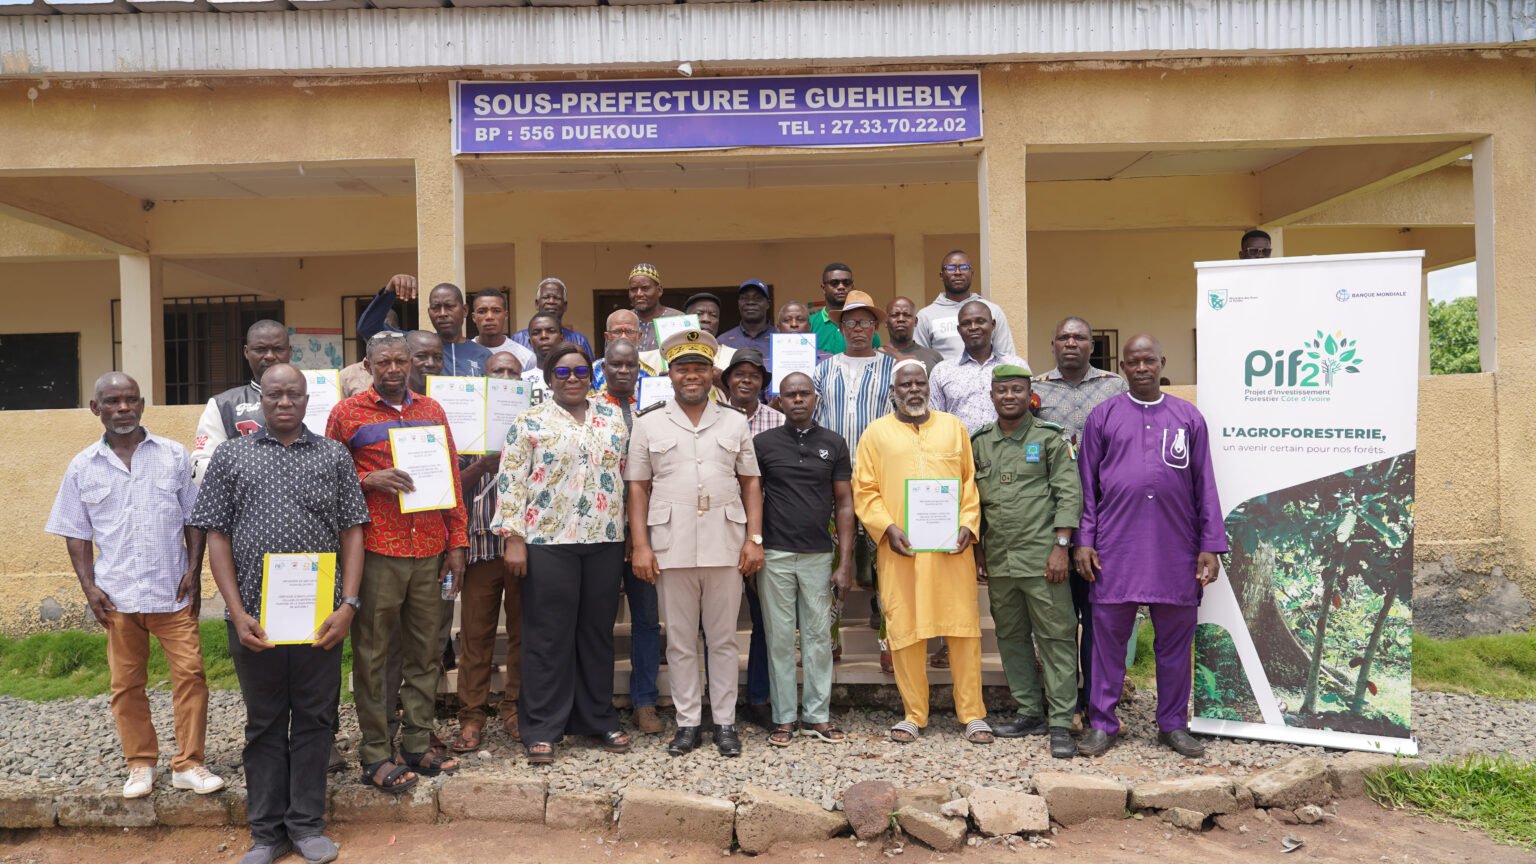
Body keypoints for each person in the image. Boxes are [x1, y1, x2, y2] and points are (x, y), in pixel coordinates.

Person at [190, 364, 368, 864]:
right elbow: (217, 535)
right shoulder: (231, 455)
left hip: (320, 619)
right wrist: (235, 611)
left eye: (293, 394)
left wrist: (348, 605)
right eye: (274, 395)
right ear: (261, 400)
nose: (284, 402)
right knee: (265, 723)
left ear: (307, 400)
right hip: (255, 620)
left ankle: (307, 825)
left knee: (314, 719)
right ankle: (266, 833)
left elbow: (353, 530)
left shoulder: (333, 455)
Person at [46, 373, 224, 799]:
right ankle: (140, 764)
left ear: (142, 404)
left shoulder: (173, 455)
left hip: (172, 593)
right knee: (126, 685)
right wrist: (89, 588)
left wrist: (195, 571)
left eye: (130, 400)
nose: (123, 408)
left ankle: (189, 764)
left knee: (191, 676)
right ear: (96, 408)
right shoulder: (82, 466)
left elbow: (194, 518)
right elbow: (75, 533)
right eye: (112, 401)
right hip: (118, 596)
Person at [325, 331, 467, 792]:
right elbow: (327, 475)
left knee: (426, 653)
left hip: (429, 548)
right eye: (383, 362)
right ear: (367, 366)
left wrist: (457, 544)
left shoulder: (432, 410)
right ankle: (375, 752)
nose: (392, 369)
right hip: (377, 551)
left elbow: (451, 478)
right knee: (372, 656)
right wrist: (367, 479)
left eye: (400, 361)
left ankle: (418, 743)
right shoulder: (347, 413)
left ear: (411, 363)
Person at [1074, 334, 1226, 759]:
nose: (1141, 368)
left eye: (1148, 361)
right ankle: (1103, 723)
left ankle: (1173, 724)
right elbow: (1087, 488)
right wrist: (1084, 541)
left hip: (1176, 549)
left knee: (1175, 643)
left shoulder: (1187, 417)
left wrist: (1210, 545)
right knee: (1107, 643)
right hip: (1115, 548)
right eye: (1133, 362)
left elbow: (1205, 484)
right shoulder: (1103, 417)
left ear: (1162, 362)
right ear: (1122, 367)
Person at [626, 329, 764, 757]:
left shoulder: (734, 420)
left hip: (726, 542)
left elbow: (751, 482)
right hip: (672, 544)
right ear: (669, 374)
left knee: (723, 640)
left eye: (700, 368)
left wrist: (754, 539)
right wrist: (641, 546)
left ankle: (724, 722)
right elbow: (637, 487)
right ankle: (687, 723)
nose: (691, 375)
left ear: (712, 374)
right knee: (680, 641)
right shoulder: (648, 422)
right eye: (683, 368)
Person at [494, 342, 631, 765]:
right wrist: (514, 538)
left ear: (592, 377)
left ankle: (596, 717)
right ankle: (542, 726)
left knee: (596, 633)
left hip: (604, 537)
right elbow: (511, 480)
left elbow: (625, 475)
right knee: (548, 636)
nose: (573, 379)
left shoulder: (612, 419)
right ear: (549, 377)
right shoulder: (529, 421)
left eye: (581, 372)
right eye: (563, 372)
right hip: (547, 541)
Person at [853, 360, 992, 745]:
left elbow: (969, 482)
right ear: (893, 392)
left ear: (928, 387)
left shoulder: (953, 427)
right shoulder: (875, 434)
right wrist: (887, 527)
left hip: (951, 551)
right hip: (902, 551)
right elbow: (864, 489)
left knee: (963, 629)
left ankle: (973, 714)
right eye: (906, 384)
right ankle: (914, 714)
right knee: (905, 630)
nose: (914, 389)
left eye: (920, 383)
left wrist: (968, 524)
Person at [970, 364, 1082, 759]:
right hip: (1000, 560)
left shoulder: (1049, 438)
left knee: (1056, 638)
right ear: (992, 396)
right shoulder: (980, 443)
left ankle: (1061, 721)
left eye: (1017, 389)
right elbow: (974, 502)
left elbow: (1068, 493)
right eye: (1002, 390)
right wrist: (979, 550)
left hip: (1043, 560)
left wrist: (1062, 546)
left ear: (1029, 394)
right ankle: (1029, 712)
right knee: (1011, 637)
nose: (1009, 396)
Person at [1032, 315, 1127, 727]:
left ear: (1092, 344)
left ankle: (1096, 700)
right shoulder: (1036, 388)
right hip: (1052, 517)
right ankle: (1065, 702)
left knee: (1098, 616)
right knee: (1060, 616)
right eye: (1063, 337)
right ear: (1053, 344)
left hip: (1105, 515)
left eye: (1080, 337)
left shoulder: (1114, 386)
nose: (1071, 343)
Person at [753, 371, 854, 746]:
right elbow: (753, 498)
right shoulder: (763, 444)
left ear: (815, 399)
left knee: (817, 638)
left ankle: (817, 716)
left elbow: (845, 503)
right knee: (779, 639)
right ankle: (783, 719)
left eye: (804, 393)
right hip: (774, 555)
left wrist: (845, 561)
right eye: (790, 394)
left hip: (818, 555)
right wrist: (753, 545)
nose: (797, 399)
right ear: (778, 401)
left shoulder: (834, 443)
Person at [450, 350, 525, 752]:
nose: (506, 377)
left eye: (513, 372)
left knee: (523, 635)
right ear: (485, 375)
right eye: (499, 371)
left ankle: (515, 710)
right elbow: (447, 487)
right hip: (479, 547)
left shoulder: (534, 420)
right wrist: (482, 466)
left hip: (523, 547)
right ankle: (472, 717)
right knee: (476, 637)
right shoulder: (463, 424)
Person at [811, 291, 897, 618]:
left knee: (884, 555)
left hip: (880, 477)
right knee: (834, 556)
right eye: (850, 323)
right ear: (841, 328)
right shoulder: (824, 370)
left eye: (864, 322)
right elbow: (813, 420)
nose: (858, 329)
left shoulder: (892, 369)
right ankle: (829, 631)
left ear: (875, 327)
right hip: (833, 478)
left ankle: (888, 627)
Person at [597, 338, 662, 734]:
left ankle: (645, 702)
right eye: (615, 365)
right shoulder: (589, 409)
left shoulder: (654, 409)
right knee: (598, 621)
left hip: (646, 531)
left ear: (640, 370)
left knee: (647, 619)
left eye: (630, 365)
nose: (623, 371)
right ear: (603, 368)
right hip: (601, 532)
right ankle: (596, 703)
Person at [722, 348, 781, 729]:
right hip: (719, 528)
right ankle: (717, 700)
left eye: (754, 375)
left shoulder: (778, 421)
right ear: (727, 380)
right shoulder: (712, 417)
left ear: (763, 382)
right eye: (739, 374)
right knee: (716, 623)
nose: (746, 380)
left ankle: (759, 697)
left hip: (765, 530)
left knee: (763, 619)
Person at [191, 319, 291, 483]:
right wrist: (252, 468)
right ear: (246, 352)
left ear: (290, 352)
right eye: (260, 349)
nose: (270, 356)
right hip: (243, 497)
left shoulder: (316, 397)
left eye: (278, 349)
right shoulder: (223, 404)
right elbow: (200, 467)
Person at [930, 299, 1028, 434]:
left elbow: (1029, 414)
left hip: (1009, 446)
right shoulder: (942, 371)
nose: (973, 327)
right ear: (959, 330)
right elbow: (935, 422)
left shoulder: (1016, 366)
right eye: (966, 323)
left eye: (980, 321)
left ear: (993, 325)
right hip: (960, 447)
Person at [914, 250, 1016, 364]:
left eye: (964, 267)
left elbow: (1006, 356)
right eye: (951, 268)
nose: (957, 272)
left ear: (972, 273)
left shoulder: (992, 311)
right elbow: (921, 361)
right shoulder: (926, 316)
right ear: (941, 275)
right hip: (944, 375)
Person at [509, 277, 594, 357]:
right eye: (546, 297)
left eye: (557, 298)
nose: (551, 301)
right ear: (537, 304)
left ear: (565, 305)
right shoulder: (519, 339)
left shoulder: (580, 340)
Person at [809, 263, 881, 354]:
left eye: (846, 283)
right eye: (834, 283)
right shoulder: (809, 323)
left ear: (852, 287)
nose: (841, 287)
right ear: (823, 288)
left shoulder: (866, 326)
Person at [469, 287, 537, 373]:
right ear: (474, 317)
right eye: (482, 312)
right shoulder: (462, 353)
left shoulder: (526, 357)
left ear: (506, 315)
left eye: (496, 311)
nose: (489, 317)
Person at [593, 309, 660, 390]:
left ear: (639, 336)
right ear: (607, 337)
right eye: (617, 332)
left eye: (629, 331)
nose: (623, 337)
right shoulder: (594, 370)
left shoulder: (649, 374)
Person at [628, 263, 685, 352]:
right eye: (633, 289)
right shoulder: (623, 320)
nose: (639, 294)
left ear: (659, 290)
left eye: (645, 288)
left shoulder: (679, 319)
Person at [881, 297, 943, 373]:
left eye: (907, 315)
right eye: (894, 315)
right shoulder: (875, 357)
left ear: (915, 322)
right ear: (886, 321)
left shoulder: (933, 357)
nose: (901, 319)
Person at [717, 279, 776, 357]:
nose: (751, 302)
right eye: (745, 298)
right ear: (738, 304)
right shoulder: (723, 341)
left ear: (768, 304)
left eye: (758, 298)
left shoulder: (781, 338)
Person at [521, 311, 566, 404]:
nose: (544, 336)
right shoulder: (522, 381)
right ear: (530, 342)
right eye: (536, 333)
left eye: (551, 331)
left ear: (561, 338)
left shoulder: (575, 377)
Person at [777, 301, 833, 367]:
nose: (794, 324)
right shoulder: (769, 359)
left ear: (809, 327)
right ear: (778, 328)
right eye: (787, 320)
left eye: (800, 319)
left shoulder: (827, 360)